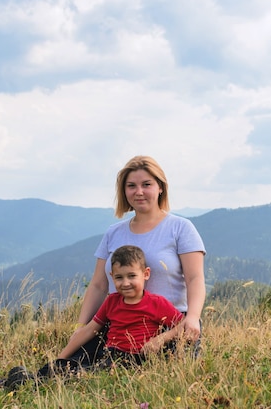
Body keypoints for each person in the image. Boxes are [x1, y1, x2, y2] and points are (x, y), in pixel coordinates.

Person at [0, 245, 185, 389]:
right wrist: (60, 358)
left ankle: (1, 384)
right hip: (107, 356)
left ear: (146, 274)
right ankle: (4, 383)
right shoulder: (113, 301)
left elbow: (182, 325)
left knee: (74, 377)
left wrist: (160, 340)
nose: (125, 283)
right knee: (62, 370)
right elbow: (88, 331)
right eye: (119, 277)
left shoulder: (156, 304)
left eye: (131, 276)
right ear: (112, 277)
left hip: (132, 361)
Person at [69, 155, 206, 366]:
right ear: (124, 191)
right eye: (131, 186)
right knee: (72, 368)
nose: (139, 192)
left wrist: (193, 318)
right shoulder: (114, 233)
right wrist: (80, 327)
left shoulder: (181, 228)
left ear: (160, 188)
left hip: (168, 325)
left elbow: (195, 278)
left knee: (160, 375)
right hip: (117, 323)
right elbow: (98, 284)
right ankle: (13, 381)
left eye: (146, 185)